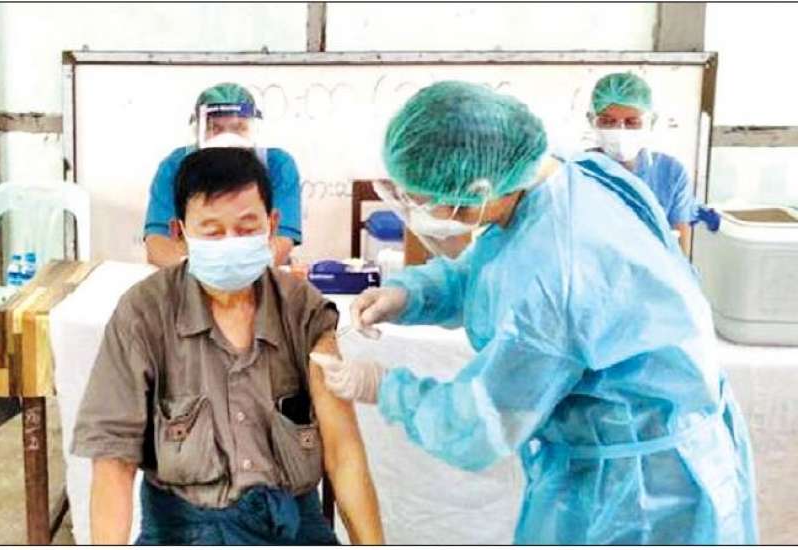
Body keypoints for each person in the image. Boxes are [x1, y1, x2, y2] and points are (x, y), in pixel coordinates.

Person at [311, 81, 757, 545]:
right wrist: (413, 294)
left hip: (645, 499)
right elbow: (496, 265)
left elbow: (478, 424)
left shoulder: (555, 276)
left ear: (478, 188)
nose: (424, 212)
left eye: (427, 201)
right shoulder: (564, 175)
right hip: (651, 455)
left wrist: (385, 387)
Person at [73, 148, 383, 545]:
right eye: (213, 232)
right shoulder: (143, 314)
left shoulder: (302, 309)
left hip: (291, 528)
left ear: (272, 225)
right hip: (184, 531)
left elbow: (343, 451)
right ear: (180, 232)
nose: (231, 242)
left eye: (247, 227)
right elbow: (114, 461)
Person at [144, 82, 301, 267]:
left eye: (239, 128)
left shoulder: (277, 165)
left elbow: (282, 240)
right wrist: (196, 274)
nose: (227, 138)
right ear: (198, 129)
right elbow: (157, 243)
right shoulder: (175, 165)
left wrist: (247, 272)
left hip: (261, 272)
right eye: (215, 128)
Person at [587, 72, 696, 254]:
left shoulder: (671, 173)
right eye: (608, 122)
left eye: (632, 122)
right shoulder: (575, 172)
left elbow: (680, 253)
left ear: (651, 122)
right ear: (592, 121)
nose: (620, 130)